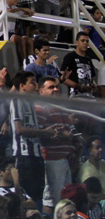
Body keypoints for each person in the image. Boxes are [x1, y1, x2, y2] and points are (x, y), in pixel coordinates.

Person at [10, 71, 59, 204]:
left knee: (37, 197)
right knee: (26, 197)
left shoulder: (31, 103)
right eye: (32, 82)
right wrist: (45, 132)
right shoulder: (16, 101)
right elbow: (19, 129)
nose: (35, 85)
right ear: (22, 86)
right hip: (24, 155)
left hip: (37, 156)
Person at [37, 76, 77, 211]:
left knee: (66, 198)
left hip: (64, 158)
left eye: (56, 87)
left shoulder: (60, 107)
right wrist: (62, 135)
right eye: (50, 87)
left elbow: (70, 130)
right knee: (53, 199)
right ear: (41, 91)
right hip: (51, 159)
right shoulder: (40, 108)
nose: (55, 89)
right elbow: (40, 134)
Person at [61, 32, 97, 99]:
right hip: (75, 95)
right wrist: (79, 86)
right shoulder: (70, 57)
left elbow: (91, 78)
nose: (85, 43)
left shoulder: (88, 59)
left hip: (89, 96)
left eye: (87, 41)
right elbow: (62, 78)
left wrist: (93, 84)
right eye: (82, 41)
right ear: (76, 42)